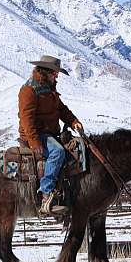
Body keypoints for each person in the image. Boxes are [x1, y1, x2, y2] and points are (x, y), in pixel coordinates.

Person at [18, 55, 84, 214]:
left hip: (50, 133)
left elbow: (61, 109)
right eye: (54, 73)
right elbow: (27, 119)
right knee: (58, 151)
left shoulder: (49, 88)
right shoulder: (29, 90)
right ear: (45, 72)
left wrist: (74, 121)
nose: (57, 76)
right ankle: (46, 194)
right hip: (37, 135)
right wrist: (35, 142)